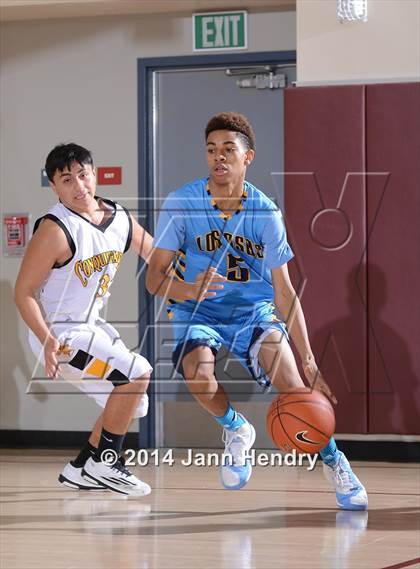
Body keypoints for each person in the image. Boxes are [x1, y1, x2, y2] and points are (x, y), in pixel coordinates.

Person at [146, 112, 368, 510]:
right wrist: (187, 288)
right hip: (198, 312)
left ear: (247, 158)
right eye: (212, 150)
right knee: (199, 374)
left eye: (229, 150)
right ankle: (236, 429)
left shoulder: (265, 213)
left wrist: (311, 360)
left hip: (253, 312)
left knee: (294, 382)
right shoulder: (182, 203)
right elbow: (153, 279)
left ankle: (336, 463)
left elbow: (284, 292)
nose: (219, 157)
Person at [15, 143, 153, 496]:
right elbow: (24, 292)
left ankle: (81, 467)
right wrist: (46, 339)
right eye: (67, 179)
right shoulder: (55, 228)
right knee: (136, 372)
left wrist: (195, 275)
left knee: (128, 401)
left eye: (83, 175)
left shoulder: (119, 218)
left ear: (94, 173)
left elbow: (157, 255)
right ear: (54, 186)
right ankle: (106, 462)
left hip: (89, 326)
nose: (78, 186)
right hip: (59, 335)